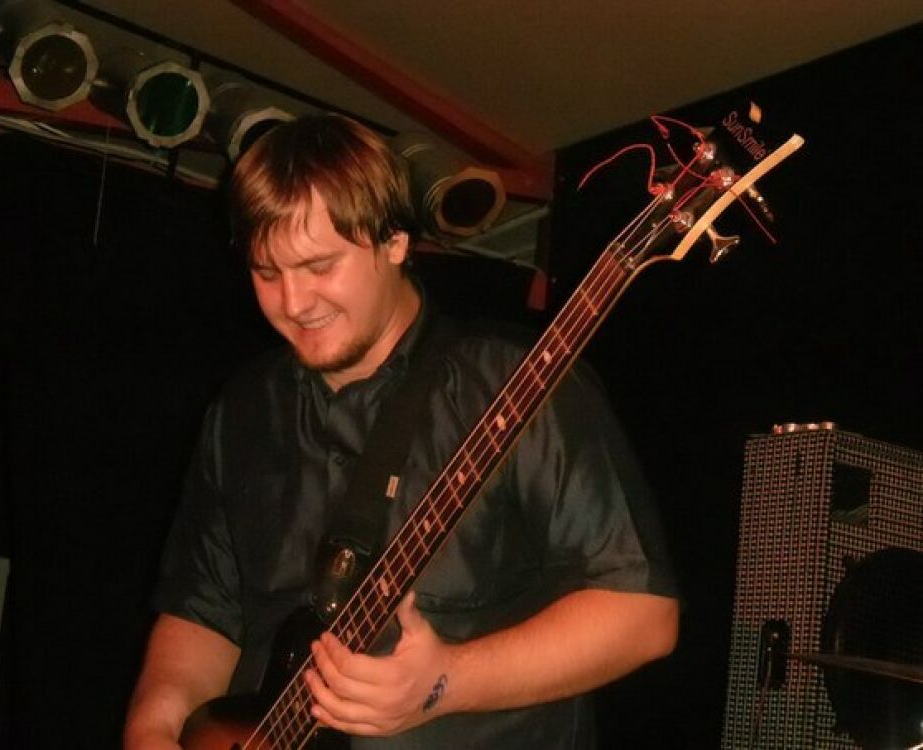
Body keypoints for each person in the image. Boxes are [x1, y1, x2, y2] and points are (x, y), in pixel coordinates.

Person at [124, 113, 680, 749]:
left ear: (394, 241)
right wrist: (152, 729)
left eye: (319, 266)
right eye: (267, 273)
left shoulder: (519, 383)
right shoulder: (243, 410)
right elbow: (202, 612)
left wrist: (448, 681)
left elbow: (642, 614)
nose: (294, 303)